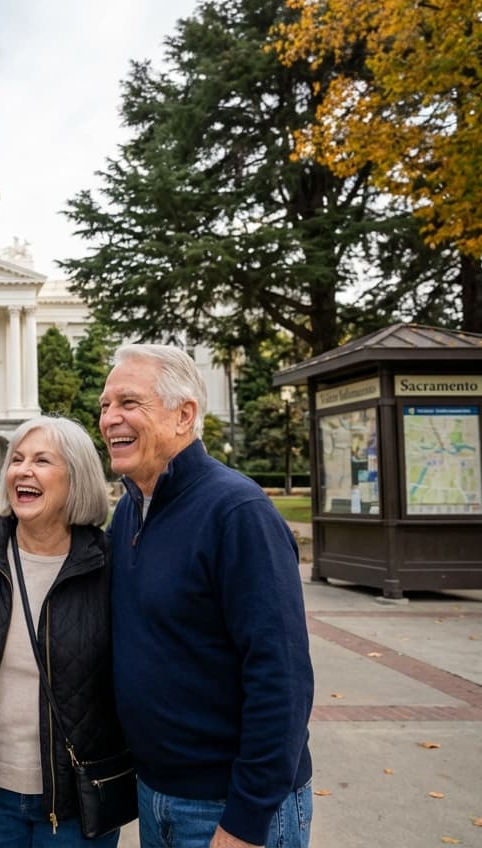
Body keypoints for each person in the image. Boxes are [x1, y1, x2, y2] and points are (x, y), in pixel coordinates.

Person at [98, 344, 313, 848]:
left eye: (129, 402)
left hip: (227, 806)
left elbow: (281, 676)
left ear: (184, 415)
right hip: (157, 794)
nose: (110, 419)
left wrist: (246, 820)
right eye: (106, 405)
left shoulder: (237, 512)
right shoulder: (130, 511)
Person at [0, 416, 126, 847]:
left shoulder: (110, 564)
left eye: (42, 460)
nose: (23, 469)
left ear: (76, 478)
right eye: (16, 459)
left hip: (78, 796)